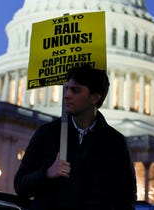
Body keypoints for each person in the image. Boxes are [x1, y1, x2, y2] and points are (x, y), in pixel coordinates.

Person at [14, 64, 137, 210]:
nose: (66, 95)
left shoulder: (115, 143)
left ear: (94, 98)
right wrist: (47, 173)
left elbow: (127, 197)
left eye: (75, 90)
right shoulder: (47, 134)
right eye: (67, 88)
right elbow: (20, 186)